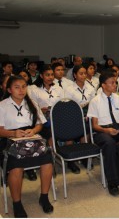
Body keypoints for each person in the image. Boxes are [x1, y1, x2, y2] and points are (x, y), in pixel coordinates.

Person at [0, 76, 54, 217]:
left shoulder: (32, 103)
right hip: (10, 139)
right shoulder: (2, 105)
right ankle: (17, 203)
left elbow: (39, 124)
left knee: (47, 160)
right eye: (17, 87)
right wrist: (13, 133)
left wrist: (34, 131)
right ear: (9, 90)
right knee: (16, 167)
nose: (21, 90)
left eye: (24, 86)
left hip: (31, 137)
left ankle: (44, 197)